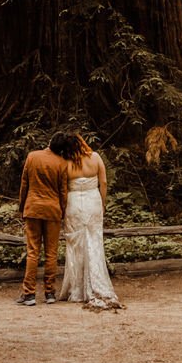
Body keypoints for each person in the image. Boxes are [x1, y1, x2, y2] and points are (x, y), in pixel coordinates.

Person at [57, 132, 122, 310]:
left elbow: (63, 188)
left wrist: (63, 209)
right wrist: (102, 202)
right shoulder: (95, 157)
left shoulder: (65, 163)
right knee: (94, 242)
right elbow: (104, 182)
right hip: (93, 202)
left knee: (75, 245)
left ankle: (76, 289)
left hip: (74, 204)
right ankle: (96, 283)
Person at [16, 133, 71, 306]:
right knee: (51, 253)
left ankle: (29, 294)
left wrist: (21, 205)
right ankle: (49, 293)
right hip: (53, 210)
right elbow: (63, 191)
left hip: (33, 208)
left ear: (49, 141)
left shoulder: (33, 156)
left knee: (33, 252)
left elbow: (24, 184)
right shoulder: (62, 163)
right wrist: (62, 211)